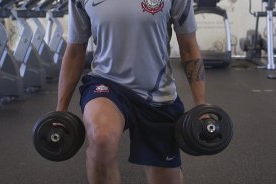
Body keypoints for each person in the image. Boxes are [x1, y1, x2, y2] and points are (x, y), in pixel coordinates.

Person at [57, 0, 206, 183]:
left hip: (158, 93)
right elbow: (75, 50)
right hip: (106, 84)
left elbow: (189, 47)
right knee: (101, 137)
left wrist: (201, 105)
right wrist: (60, 111)